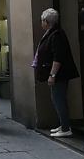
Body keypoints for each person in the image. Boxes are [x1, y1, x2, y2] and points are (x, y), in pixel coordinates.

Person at [33, 8, 79, 137]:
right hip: (57, 73)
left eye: (42, 21)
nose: (41, 23)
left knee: (59, 99)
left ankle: (66, 128)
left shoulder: (56, 35)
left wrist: (52, 75)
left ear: (46, 21)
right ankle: (63, 125)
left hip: (60, 74)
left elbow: (57, 57)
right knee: (56, 98)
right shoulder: (52, 33)